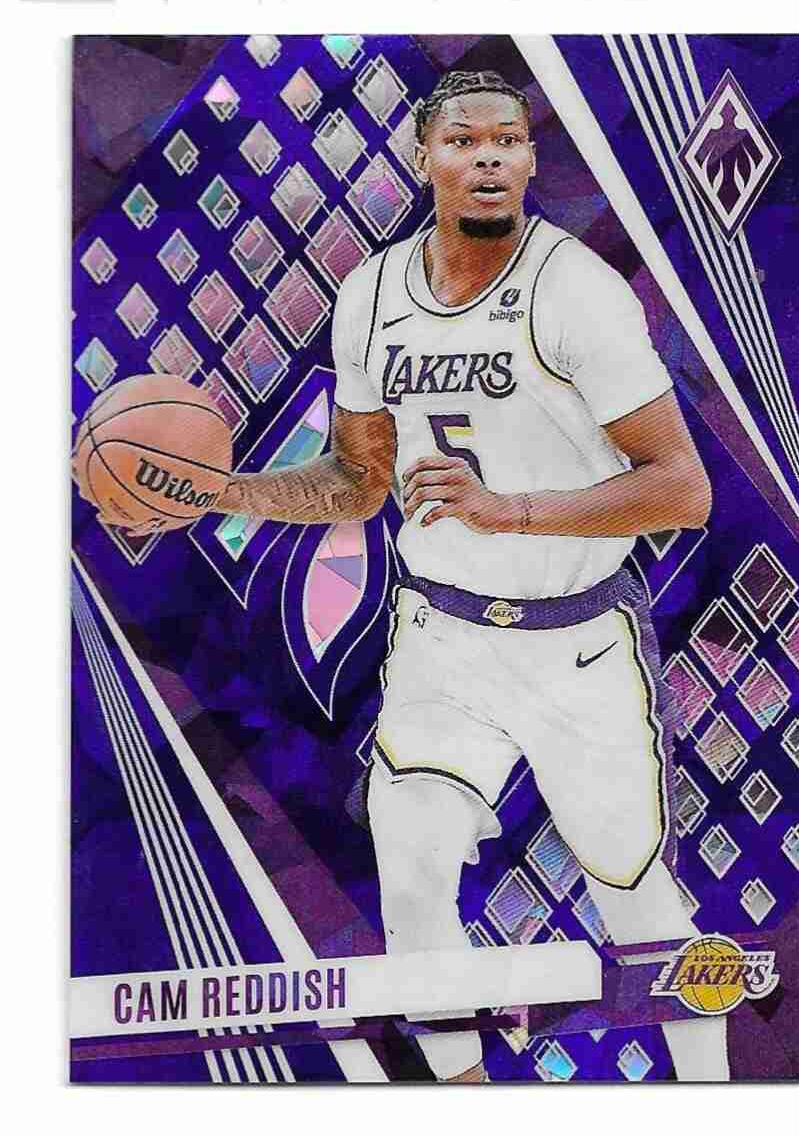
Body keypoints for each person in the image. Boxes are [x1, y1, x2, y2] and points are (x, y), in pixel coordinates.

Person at [87, 69, 727, 1082]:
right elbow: (356, 482)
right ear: (425, 157)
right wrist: (219, 492)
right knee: (415, 875)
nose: (487, 155)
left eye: (506, 139)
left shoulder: (576, 294)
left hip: (578, 644)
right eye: (463, 139)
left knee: (640, 908)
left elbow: (681, 490)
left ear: (528, 159)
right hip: (444, 642)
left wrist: (509, 509)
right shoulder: (373, 296)